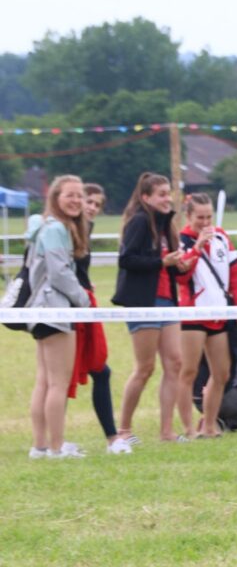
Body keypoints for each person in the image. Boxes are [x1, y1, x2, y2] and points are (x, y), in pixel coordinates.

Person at [112, 172, 188, 442]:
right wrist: (162, 263)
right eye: (161, 194)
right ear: (146, 198)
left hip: (168, 300)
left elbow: (165, 265)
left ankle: (167, 431)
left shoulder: (166, 225)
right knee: (145, 368)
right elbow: (127, 260)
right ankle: (123, 430)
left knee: (175, 363)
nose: (167, 199)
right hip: (143, 301)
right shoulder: (140, 221)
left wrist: (178, 266)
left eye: (169, 193)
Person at [26, 175, 91, 458]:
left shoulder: (44, 227)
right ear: (55, 197)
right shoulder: (55, 230)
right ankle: (55, 447)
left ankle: (40, 445)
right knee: (57, 383)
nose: (76, 200)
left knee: (45, 380)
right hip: (53, 309)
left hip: (41, 311)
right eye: (70, 195)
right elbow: (59, 273)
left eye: (80, 195)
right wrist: (84, 299)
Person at [176, 193, 237, 439]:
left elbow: (236, 273)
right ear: (188, 216)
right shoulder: (182, 239)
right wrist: (197, 247)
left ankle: (209, 424)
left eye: (208, 216)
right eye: (200, 217)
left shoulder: (221, 237)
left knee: (222, 373)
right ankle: (187, 428)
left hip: (220, 313)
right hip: (193, 314)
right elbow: (181, 275)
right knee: (188, 371)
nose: (205, 222)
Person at [74, 183, 133, 454]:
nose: (92, 208)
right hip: (73, 308)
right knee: (67, 374)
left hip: (83, 304)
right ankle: (51, 442)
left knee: (100, 370)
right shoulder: (68, 230)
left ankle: (111, 437)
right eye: (89, 201)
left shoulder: (85, 229)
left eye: (97, 204)